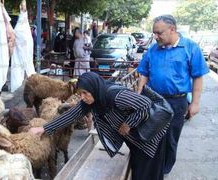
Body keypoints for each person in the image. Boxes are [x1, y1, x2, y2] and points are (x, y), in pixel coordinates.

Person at [29, 72, 168, 180]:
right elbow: (70, 115)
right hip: (136, 139)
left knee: (148, 175)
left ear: (94, 88)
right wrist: (44, 128)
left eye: (85, 93)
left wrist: (128, 123)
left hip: (150, 138)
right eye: (80, 94)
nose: (82, 97)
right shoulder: (92, 100)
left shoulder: (115, 95)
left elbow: (145, 104)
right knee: (138, 171)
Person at [137, 15, 209, 175]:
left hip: (176, 102)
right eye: (153, 33)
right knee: (151, 135)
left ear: (172, 29)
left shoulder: (190, 48)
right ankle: (151, 167)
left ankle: (163, 170)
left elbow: (198, 77)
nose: (155, 36)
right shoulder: (153, 50)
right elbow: (144, 74)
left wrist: (195, 103)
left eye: (158, 33)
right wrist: (139, 96)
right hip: (153, 100)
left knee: (170, 138)